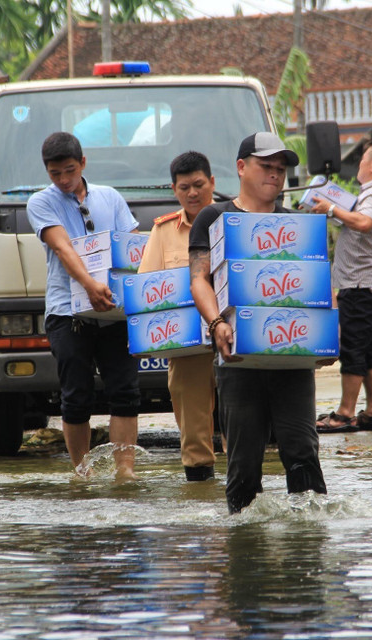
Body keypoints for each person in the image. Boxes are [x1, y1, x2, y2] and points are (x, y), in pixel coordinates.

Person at [189, 132, 328, 513]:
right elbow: (199, 279)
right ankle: (243, 539)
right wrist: (216, 322)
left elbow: (316, 282)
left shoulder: (296, 225)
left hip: (291, 357)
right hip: (237, 356)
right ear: (241, 167)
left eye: (280, 169)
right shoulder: (214, 217)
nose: (275, 174)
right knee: (244, 461)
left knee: (302, 451)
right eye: (266, 166)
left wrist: (327, 336)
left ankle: (309, 535)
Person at [26, 132, 140, 479]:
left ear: (83, 163)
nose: (63, 180)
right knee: (76, 396)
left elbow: (130, 246)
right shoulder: (40, 202)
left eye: (70, 171)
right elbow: (62, 248)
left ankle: (125, 470)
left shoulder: (110, 197)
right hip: (67, 313)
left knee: (125, 392)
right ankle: (82, 472)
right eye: (55, 174)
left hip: (114, 310)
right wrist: (90, 286)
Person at [138, 151, 219, 481]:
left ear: (212, 182)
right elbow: (146, 287)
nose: (193, 193)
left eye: (199, 185)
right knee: (194, 428)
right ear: (174, 189)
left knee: (246, 416)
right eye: (184, 187)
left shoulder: (234, 220)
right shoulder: (164, 231)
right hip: (188, 344)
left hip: (238, 335)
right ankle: (200, 487)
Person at [311, 139, 372, 433]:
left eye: (363, 159)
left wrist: (332, 209)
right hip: (369, 286)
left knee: (352, 351)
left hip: (361, 287)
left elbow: (364, 222)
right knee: (369, 352)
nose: (359, 164)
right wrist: (331, 210)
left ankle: (345, 413)